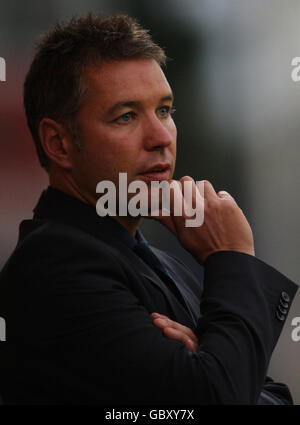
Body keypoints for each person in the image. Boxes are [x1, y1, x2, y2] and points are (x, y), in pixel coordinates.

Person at [0, 13, 298, 405]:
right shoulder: (55, 266)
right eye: (126, 116)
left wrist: (219, 368)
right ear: (58, 143)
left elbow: (267, 393)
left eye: (164, 110)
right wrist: (233, 256)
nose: (160, 137)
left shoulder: (159, 260)